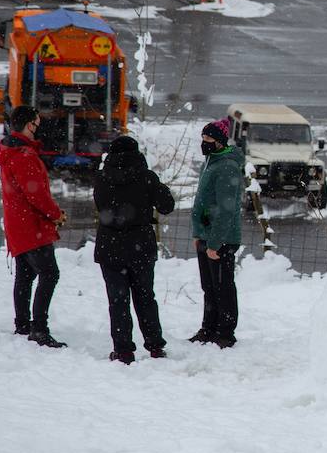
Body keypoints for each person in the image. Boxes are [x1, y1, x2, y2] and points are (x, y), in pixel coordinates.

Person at [93, 136, 175, 364]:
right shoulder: (146, 178)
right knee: (146, 298)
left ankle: (123, 350)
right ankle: (155, 346)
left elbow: (101, 207)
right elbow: (167, 206)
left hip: (110, 247)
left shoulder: (101, 178)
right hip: (140, 246)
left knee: (118, 301)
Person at [0, 106, 68, 348]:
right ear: (28, 125)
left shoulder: (10, 151)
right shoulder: (24, 155)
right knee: (49, 274)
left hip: (17, 224)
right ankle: (39, 328)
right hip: (31, 226)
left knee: (25, 275)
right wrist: (56, 215)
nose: (38, 130)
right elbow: (35, 194)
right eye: (37, 125)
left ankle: (22, 323)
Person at [188, 121, 246, 349]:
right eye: (203, 139)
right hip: (206, 236)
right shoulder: (211, 162)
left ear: (220, 141)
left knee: (223, 287)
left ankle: (225, 332)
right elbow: (204, 202)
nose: (204, 144)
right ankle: (208, 328)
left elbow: (226, 209)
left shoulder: (226, 167)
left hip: (221, 240)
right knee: (209, 287)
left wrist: (214, 243)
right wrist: (198, 233)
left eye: (209, 140)